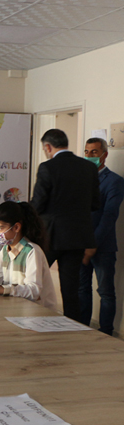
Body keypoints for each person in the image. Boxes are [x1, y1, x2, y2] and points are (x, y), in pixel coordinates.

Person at [31, 129, 100, 321]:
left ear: (48, 147)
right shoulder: (89, 167)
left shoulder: (47, 167)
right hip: (77, 237)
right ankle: (73, 328)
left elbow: (38, 204)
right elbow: (96, 204)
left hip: (50, 236)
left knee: (35, 281)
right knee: (71, 290)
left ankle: (34, 320)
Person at [79, 137, 124, 335]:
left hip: (103, 247)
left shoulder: (115, 181)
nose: (89, 155)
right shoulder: (80, 179)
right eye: (86, 152)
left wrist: (93, 244)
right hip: (80, 245)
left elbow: (109, 216)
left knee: (106, 292)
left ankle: (106, 333)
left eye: (94, 152)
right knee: (82, 289)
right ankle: (81, 329)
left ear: (104, 155)